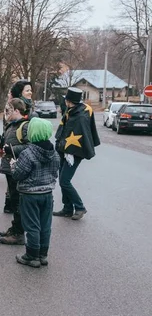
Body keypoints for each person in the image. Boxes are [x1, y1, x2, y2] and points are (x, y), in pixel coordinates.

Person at [11, 117, 60, 268]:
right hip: (47, 193)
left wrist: (14, 165)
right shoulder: (54, 152)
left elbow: (18, 175)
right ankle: (43, 255)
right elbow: (55, 171)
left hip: (30, 195)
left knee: (32, 225)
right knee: (45, 225)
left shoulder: (28, 153)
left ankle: (32, 256)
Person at [53, 87, 100, 220]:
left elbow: (82, 135)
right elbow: (64, 129)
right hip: (64, 149)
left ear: (68, 101)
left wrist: (69, 151)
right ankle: (67, 208)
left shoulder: (80, 115)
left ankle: (80, 207)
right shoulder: (72, 110)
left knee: (64, 181)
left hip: (74, 151)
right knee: (63, 179)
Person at [0, 98, 30, 245]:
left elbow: (30, 147)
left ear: (17, 111)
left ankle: (19, 234)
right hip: (10, 168)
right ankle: (15, 228)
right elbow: (7, 143)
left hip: (18, 168)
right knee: (14, 200)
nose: (6, 113)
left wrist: (12, 149)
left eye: (8, 110)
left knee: (18, 201)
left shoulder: (24, 126)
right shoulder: (12, 125)